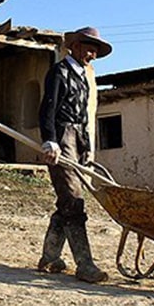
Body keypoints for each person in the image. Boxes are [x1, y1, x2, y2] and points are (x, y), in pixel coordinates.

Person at [37, 26, 112, 283]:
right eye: (88, 48)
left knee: (66, 201)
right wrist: (50, 140)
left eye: (95, 50)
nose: (92, 54)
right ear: (74, 46)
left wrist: (88, 146)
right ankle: (85, 264)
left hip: (79, 138)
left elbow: (83, 116)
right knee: (73, 200)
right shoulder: (59, 72)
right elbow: (47, 108)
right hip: (62, 137)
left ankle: (49, 258)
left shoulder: (82, 78)